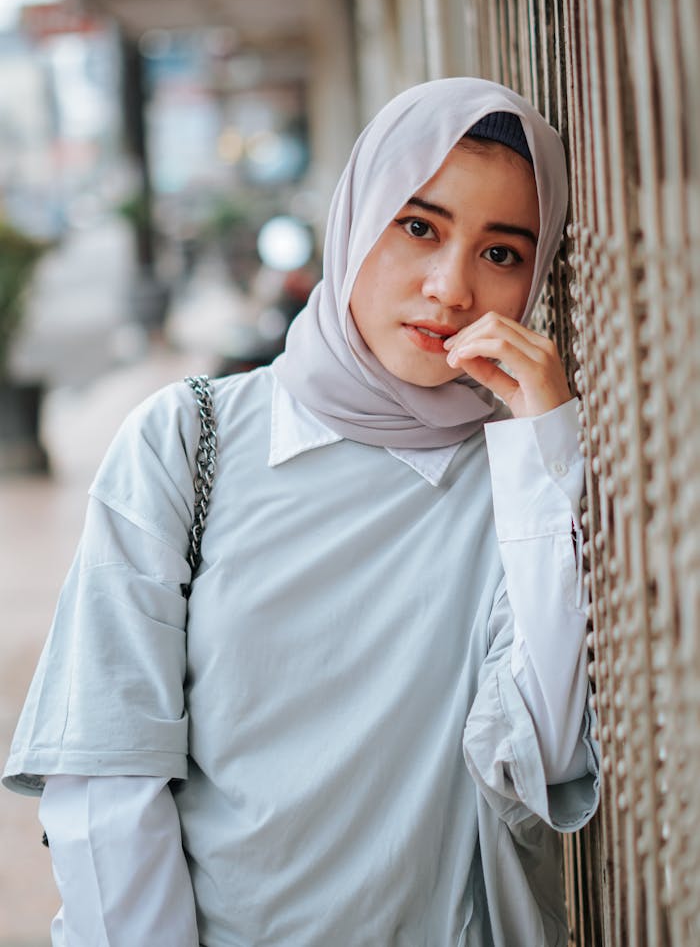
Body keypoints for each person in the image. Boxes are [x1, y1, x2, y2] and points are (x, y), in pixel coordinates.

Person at [3, 77, 599, 947]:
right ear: (357, 218)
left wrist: (546, 445)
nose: (450, 288)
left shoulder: (512, 484)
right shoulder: (188, 441)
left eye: (501, 253)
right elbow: (107, 770)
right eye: (420, 226)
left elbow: (542, 756)